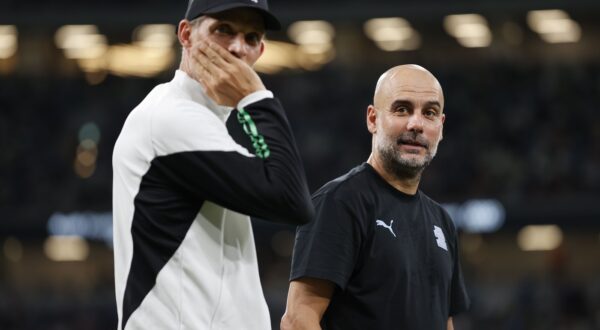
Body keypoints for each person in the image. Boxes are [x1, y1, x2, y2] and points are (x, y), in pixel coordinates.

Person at [112, 1, 314, 329]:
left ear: (260, 51)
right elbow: (291, 200)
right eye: (224, 30)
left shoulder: (198, 121)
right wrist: (256, 98)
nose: (237, 47)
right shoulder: (171, 118)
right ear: (186, 34)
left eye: (251, 37)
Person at [281, 65, 470, 330]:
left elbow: (445, 321)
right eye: (402, 109)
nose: (416, 124)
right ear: (372, 119)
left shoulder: (442, 221)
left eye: (429, 113)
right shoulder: (339, 202)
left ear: (440, 126)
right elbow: (298, 319)